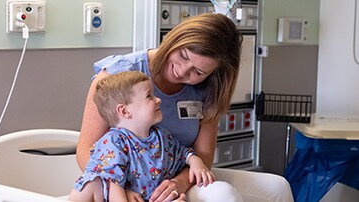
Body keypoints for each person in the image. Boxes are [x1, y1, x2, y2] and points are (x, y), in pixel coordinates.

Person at [76, 13, 294, 202]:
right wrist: (122, 190)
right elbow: (86, 150)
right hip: (124, 184)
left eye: (198, 72)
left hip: (181, 177)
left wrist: (178, 183)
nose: (182, 72)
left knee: (278, 187)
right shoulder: (119, 77)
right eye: (183, 56)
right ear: (175, 40)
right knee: (223, 196)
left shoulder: (206, 91)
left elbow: (204, 154)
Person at [69, 71, 215, 202]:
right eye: (149, 96)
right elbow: (112, 183)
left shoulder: (161, 136)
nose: (158, 100)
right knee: (88, 187)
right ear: (125, 111)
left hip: (152, 197)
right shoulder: (114, 141)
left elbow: (183, 153)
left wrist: (196, 162)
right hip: (119, 198)